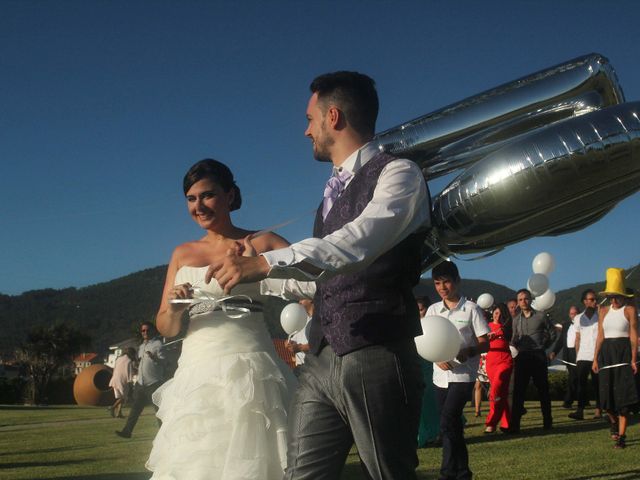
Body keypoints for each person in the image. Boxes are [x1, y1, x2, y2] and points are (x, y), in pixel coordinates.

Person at [208, 71, 430, 479]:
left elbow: (357, 242)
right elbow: (319, 281)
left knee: (388, 473)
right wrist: (247, 275)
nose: (305, 130)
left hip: (376, 352)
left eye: (309, 119)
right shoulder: (330, 194)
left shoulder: (399, 175)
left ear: (333, 117)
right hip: (320, 355)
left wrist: (265, 261)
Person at [145, 159, 297, 478]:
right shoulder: (182, 254)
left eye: (207, 195)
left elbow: (309, 283)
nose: (198, 206)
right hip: (197, 370)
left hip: (253, 366)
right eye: (191, 199)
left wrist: (260, 265)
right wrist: (176, 308)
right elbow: (165, 324)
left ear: (230, 195)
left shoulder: (263, 242)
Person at [427, 261, 489, 480]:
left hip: (463, 376)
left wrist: (470, 351)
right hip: (440, 376)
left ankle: (446, 474)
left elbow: (485, 343)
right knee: (452, 427)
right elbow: (426, 340)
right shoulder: (433, 310)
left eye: (446, 282)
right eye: (437, 283)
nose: (443, 287)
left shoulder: (471, 309)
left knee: (446, 422)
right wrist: (436, 357)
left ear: (457, 282)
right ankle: (463, 473)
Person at [593, 268, 638, 449]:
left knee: (623, 397)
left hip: (623, 353)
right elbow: (600, 336)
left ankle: (621, 436)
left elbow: (634, 335)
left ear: (623, 296)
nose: (614, 300)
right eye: (611, 296)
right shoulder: (603, 311)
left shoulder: (630, 310)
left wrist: (634, 358)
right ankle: (613, 422)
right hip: (606, 354)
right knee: (606, 398)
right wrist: (595, 358)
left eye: (617, 296)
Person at [509, 288, 557, 433]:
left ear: (531, 299)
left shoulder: (541, 316)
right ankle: (515, 425)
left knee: (543, 390)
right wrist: (516, 344)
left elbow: (553, 334)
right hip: (522, 357)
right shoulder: (516, 320)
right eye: (520, 299)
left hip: (538, 356)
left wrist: (544, 347)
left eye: (526, 298)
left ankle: (547, 422)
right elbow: (513, 339)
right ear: (517, 302)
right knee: (519, 391)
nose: (523, 301)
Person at [116, 322, 165, 439]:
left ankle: (164, 436)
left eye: (147, 330)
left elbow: (164, 363)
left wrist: (154, 358)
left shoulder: (158, 344)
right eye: (143, 330)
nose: (145, 332)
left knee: (159, 411)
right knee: (135, 410)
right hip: (141, 384)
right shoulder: (141, 347)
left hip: (154, 383)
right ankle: (127, 432)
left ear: (152, 331)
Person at [569, 290, 602, 420]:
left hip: (597, 355)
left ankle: (598, 410)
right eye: (592, 299)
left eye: (595, 299)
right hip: (583, 355)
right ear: (585, 301)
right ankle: (580, 410)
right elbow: (577, 338)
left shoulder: (600, 316)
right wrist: (577, 356)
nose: (595, 301)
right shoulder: (578, 318)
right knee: (581, 384)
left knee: (597, 384)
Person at [484, 303, 513, 433]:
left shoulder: (507, 328)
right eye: (496, 313)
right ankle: (507, 423)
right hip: (491, 360)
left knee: (495, 390)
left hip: (505, 359)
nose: (498, 316)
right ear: (492, 313)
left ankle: (491, 422)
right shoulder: (486, 326)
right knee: (501, 393)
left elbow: (512, 337)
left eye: (501, 314)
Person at [415, 296, 440, 447]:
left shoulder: (435, 325)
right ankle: (424, 434)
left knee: (431, 399)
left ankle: (436, 432)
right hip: (417, 365)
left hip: (432, 365)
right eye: (416, 310)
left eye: (421, 309)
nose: (419, 313)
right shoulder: (411, 326)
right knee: (420, 401)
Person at [550, 305, 579, 409]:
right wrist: (554, 352)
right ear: (569, 315)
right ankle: (584, 400)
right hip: (569, 355)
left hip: (580, 354)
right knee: (574, 378)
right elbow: (561, 341)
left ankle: (568, 402)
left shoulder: (583, 324)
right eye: (571, 314)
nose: (573, 316)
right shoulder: (566, 325)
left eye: (575, 313)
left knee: (574, 378)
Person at [108, 347, 136, 418]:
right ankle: (113, 407)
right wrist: (131, 383)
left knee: (119, 397)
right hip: (122, 381)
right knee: (123, 397)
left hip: (115, 379)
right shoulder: (129, 361)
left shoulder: (118, 359)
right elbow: (129, 373)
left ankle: (119, 413)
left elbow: (115, 369)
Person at [284, 299, 313, 367]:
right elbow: (293, 340)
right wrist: (288, 343)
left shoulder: (318, 319)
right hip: (300, 366)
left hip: (313, 367)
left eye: (302, 299)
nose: (299, 302)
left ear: (310, 300)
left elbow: (318, 345)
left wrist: (300, 348)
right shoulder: (301, 319)